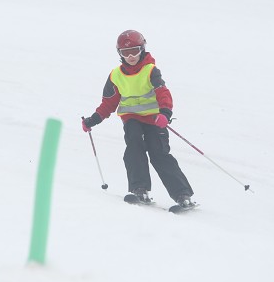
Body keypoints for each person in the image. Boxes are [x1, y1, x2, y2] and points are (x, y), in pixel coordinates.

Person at [82, 30, 195, 207]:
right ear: (119, 54)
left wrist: (165, 114)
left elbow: (163, 93)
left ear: (142, 49)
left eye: (134, 51)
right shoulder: (116, 75)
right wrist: (93, 119)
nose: (131, 56)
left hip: (154, 120)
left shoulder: (150, 70)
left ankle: (183, 195)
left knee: (159, 153)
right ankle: (139, 190)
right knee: (134, 147)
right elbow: (108, 103)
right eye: (125, 53)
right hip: (132, 119)